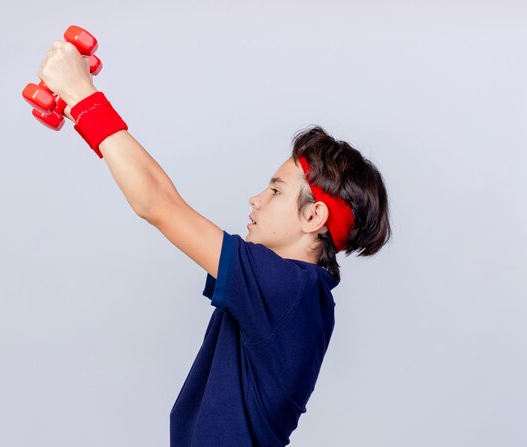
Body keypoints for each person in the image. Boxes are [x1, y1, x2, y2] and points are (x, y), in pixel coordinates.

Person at [36, 39, 392, 446]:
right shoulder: (293, 294)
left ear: (313, 217)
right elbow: (154, 196)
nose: (255, 199)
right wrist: (77, 108)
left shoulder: (289, 289)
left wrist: (85, 98)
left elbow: (158, 204)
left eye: (275, 191)